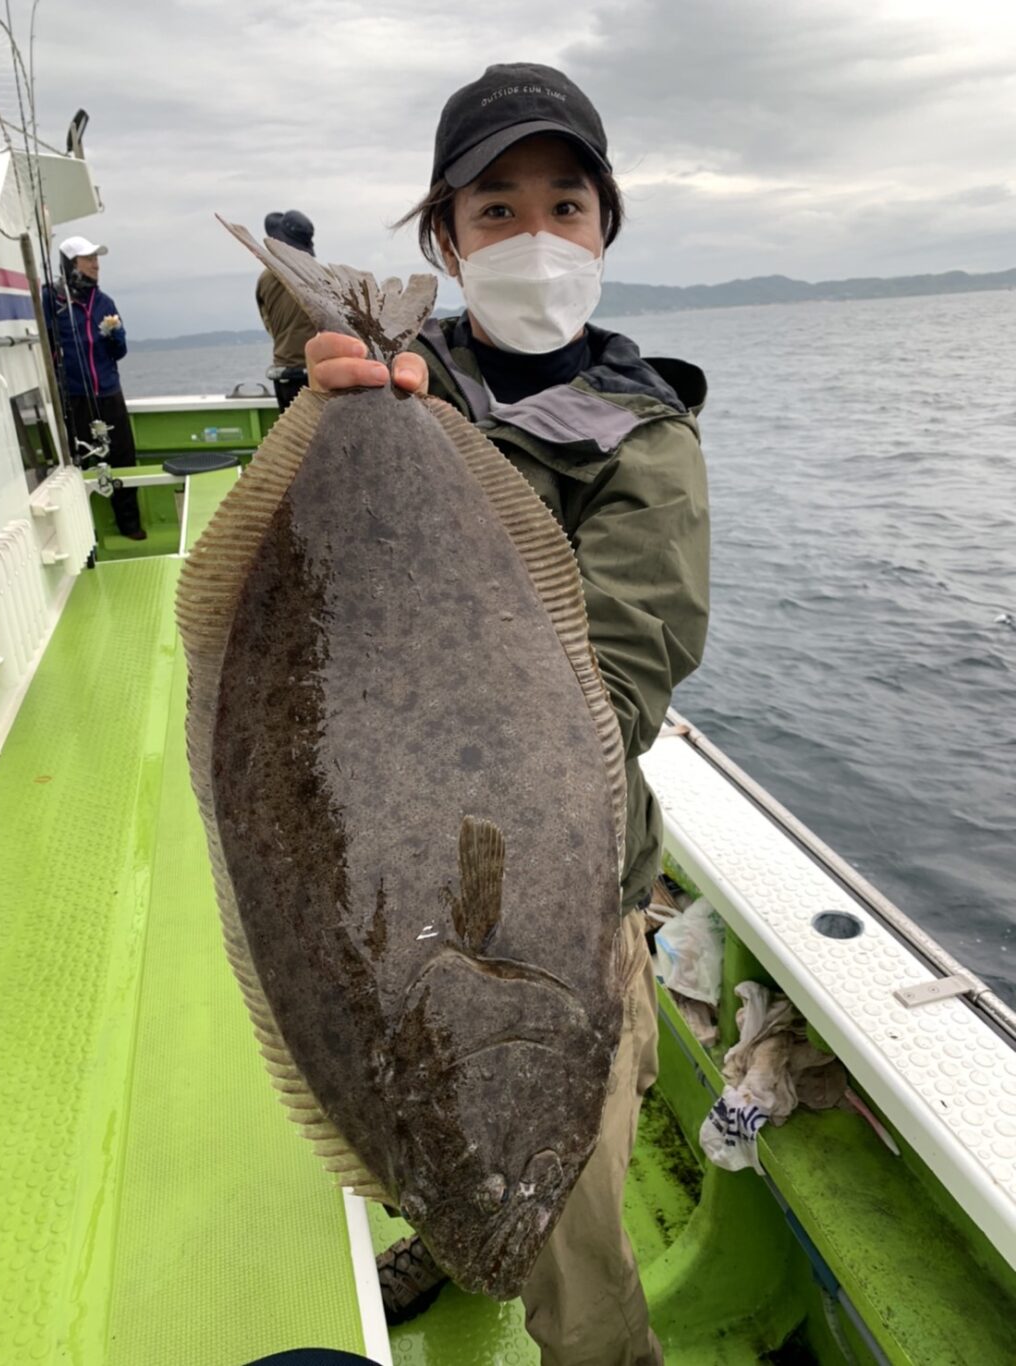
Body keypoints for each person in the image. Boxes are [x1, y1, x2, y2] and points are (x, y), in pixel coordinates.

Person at [306, 63, 710, 1366]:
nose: (535, 235)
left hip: (561, 897)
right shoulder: (390, 389)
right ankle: (449, 1228)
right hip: (395, 873)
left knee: (568, 1216)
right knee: (409, 1105)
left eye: (565, 204)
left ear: (604, 226)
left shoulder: (645, 439)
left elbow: (623, 677)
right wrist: (322, 407)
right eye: (495, 209)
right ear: (445, 238)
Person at [42, 235, 145, 539]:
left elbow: (119, 353)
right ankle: (82, 531)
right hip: (74, 397)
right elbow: (45, 344)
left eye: (96, 258)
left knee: (123, 458)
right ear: (71, 264)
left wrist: (116, 338)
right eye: (88, 259)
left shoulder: (105, 303)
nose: (96, 264)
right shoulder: (52, 300)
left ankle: (129, 524)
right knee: (78, 464)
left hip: (109, 393)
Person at [257, 210, 317, 410]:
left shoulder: (266, 279)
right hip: (318, 373)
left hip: (284, 375)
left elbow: (269, 323)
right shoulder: (324, 277)